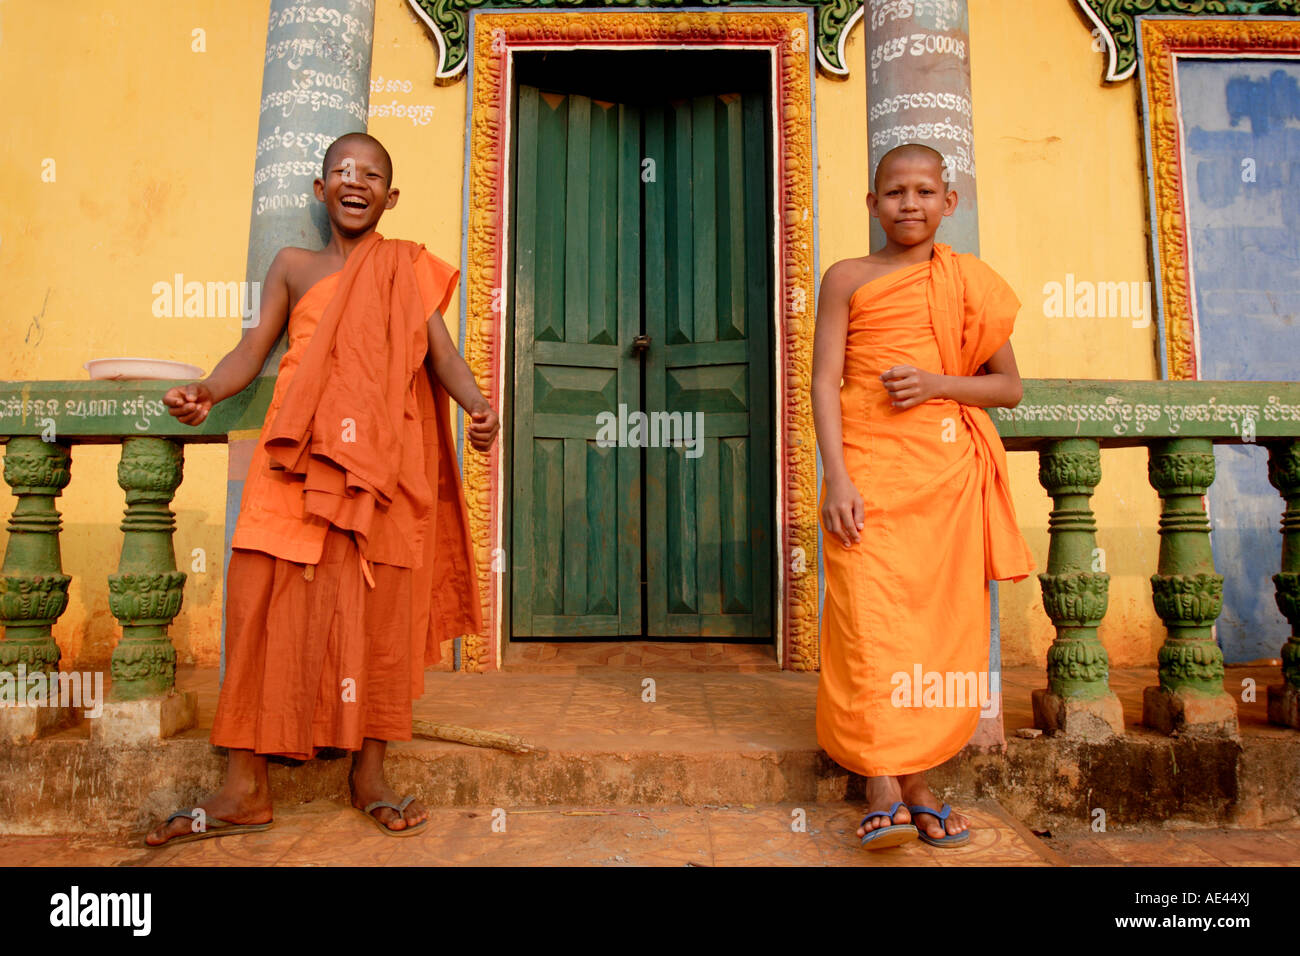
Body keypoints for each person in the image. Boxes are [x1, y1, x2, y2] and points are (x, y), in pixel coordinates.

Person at [145, 132, 499, 846]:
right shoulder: (294, 266)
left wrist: (480, 409)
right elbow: (254, 347)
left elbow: (443, 356)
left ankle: (369, 776)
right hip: (297, 454)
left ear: (389, 197)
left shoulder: (406, 269)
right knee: (257, 600)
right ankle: (245, 787)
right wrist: (208, 391)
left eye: (371, 174)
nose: (355, 181)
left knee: (382, 613)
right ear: (320, 189)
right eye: (342, 170)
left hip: (383, 463)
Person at [811, 143, 1035, 849]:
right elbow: (823, 382)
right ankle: (883, 782)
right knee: (867, 623)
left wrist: (939, 384)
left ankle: (916, 782)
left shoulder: (968, 284)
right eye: (895, 192)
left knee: (936, 631)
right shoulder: (846, 278)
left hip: (942, 481)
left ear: (949, 202)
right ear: (872, 203)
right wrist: (837, 478)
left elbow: (1008, 386)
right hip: (869, 473)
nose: (911, 203)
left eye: (925, 191)